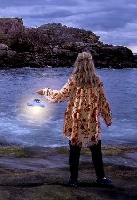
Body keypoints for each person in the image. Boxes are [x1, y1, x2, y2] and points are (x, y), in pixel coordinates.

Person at [37, 52, 113, 188]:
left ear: (77, 64)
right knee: (96, 151)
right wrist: (107, 118)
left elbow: (60, 96)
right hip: (91, 121)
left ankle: (73, 180)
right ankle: (101, 178)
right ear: (91, 64)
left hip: (76, 120)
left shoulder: (74, 80)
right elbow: (103, 101)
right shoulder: (97, 80)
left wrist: (45, 91)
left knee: (74, 151)